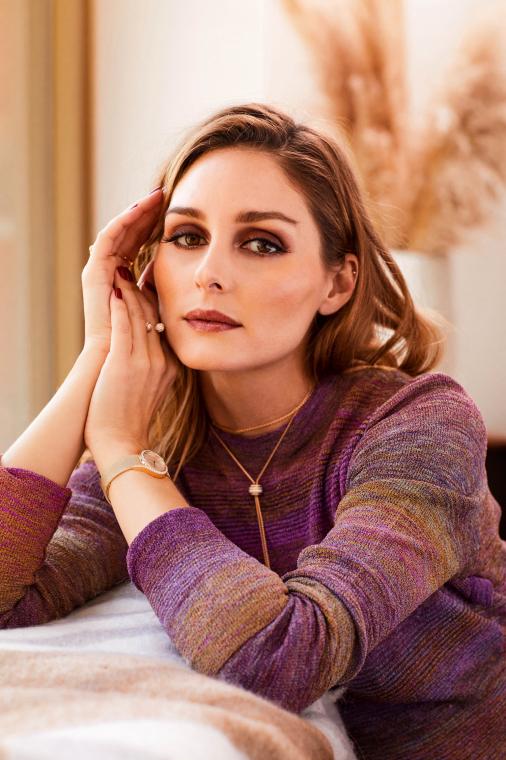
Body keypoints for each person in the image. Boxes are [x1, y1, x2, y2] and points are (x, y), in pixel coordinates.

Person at [0, 102, 504, 759]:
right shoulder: (163, 447)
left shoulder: (420, 425)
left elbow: (281, 662)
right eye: (186, 237)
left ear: (337, 282)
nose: (209, 273)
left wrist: (123, 454)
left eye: (261, 243)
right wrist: (98, 352)